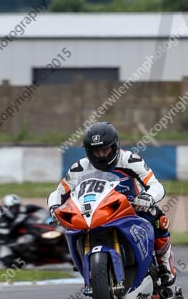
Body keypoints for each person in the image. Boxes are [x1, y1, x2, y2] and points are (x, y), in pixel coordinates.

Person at [48, 121, 176, 285]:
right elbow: (59, 193)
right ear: (88, 152)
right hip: (94, 212)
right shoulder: (79, 168)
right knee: (69, 226)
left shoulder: (130, 160)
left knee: (157, 217)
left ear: (114, 146)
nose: (100, 155)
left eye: (104, 150)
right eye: (95, 152)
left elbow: (156, 185)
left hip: (130, 209)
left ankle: (165, 265)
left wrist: (148, 198)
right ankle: (81, 258)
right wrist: (54, 207)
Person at [0, 194, 41, 267]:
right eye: (13, 208)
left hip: (16, 234)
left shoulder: (21, 210)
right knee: (14, 264)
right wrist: (19, 241)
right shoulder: (0, 219)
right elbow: (5, 238)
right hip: (2, 242)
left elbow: (35, 208)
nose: (16, 209)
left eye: (17, 207)